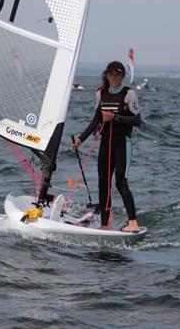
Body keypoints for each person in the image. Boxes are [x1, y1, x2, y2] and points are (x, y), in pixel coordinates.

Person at [72, 61, 142, 233]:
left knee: (120, 183)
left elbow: (137, 121)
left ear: (122, 77)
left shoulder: (129, 94)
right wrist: (80, 139)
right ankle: (104, 224)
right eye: (111, 74)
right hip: (105, 143)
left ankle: (133, 222)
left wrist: (115, 118)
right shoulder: (100, 94)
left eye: (118, 75)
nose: (114, 78)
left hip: (122, 144)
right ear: (106, 75)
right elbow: (96, 120)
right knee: (103, 184)